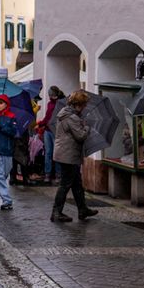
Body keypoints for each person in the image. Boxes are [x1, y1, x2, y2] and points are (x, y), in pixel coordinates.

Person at [50, 90, 97, 223]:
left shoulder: (67, 114)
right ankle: (56, 212)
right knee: (65, 185)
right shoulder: (72, 117)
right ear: (78, 104)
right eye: (84, 104)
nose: (85, 107)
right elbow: (80, 136)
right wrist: (87, 127)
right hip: (68, 155)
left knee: (77, 184)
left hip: (66, 154)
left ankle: (82, 209)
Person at [0, 94, 23, 210]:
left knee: (4, 175)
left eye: (1, 103)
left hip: (8, 150)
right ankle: (7, 200)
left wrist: (1, 126)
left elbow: (13, 132)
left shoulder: (11, 116)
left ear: (6, 104)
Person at [37, 87, 65, 184]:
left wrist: (41, 123)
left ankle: (58, 175)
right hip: (47, 130)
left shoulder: (61, 104)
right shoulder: (50, 104)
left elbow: (53, 118)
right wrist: (41, 124)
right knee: (48, 153)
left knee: (56, 153)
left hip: (56, 131)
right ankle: (47, 174)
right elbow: (47, 117)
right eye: (49, 95)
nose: (50, 97)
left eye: (51, 95)